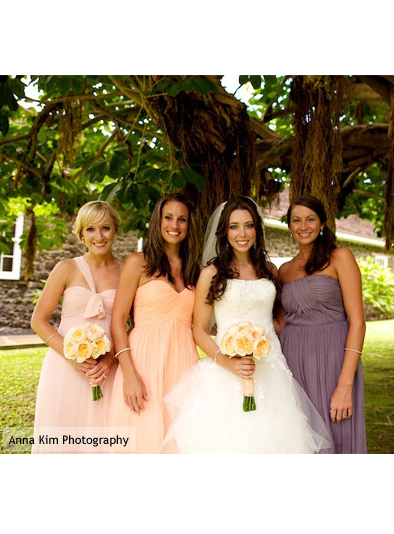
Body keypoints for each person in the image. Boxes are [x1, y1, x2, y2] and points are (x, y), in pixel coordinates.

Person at [162, 195, 332, 453]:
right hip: (226, 370)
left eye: (248, 225)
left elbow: (278, 319)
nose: (242, 233)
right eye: (234, 226)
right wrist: (228, 361)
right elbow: (199, 330)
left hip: (271, 366)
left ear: (257, 229)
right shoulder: (211, 273)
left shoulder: (269, 270)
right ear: (224, 232)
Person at [108, 192, 201, 453]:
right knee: (142, 440)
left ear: (189, 225)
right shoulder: (138, 263)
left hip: (183, 364)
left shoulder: (195, 269)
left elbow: (202, 325)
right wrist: (129, 374)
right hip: (143, 363)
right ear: (157, 221)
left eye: (182, 219)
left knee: (181, 440)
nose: (174, 225)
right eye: (168, 217)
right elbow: (117, 321)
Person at [31, 200, 123, 453]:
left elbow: (133, 325)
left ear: (115, 229)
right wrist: (72, 358)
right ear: (81, 234)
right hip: (64, 367)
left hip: (105, 370)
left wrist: (111, 359)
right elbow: (38, 320)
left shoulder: (127, 272)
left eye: (105, 228)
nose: (99, 236)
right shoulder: (66, 268)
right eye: (90, 229)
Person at [278, 194, 367, 454]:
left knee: (338, 430)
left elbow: (358, 323)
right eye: (296, 220)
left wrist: (345, 384)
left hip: (334, 359)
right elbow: (281, 323)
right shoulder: (284, 271)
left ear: (322, 224)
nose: (303, 226)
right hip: (293, 361)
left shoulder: (340, 257)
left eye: (310, 219)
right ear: (290, 226)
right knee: (302, 437)